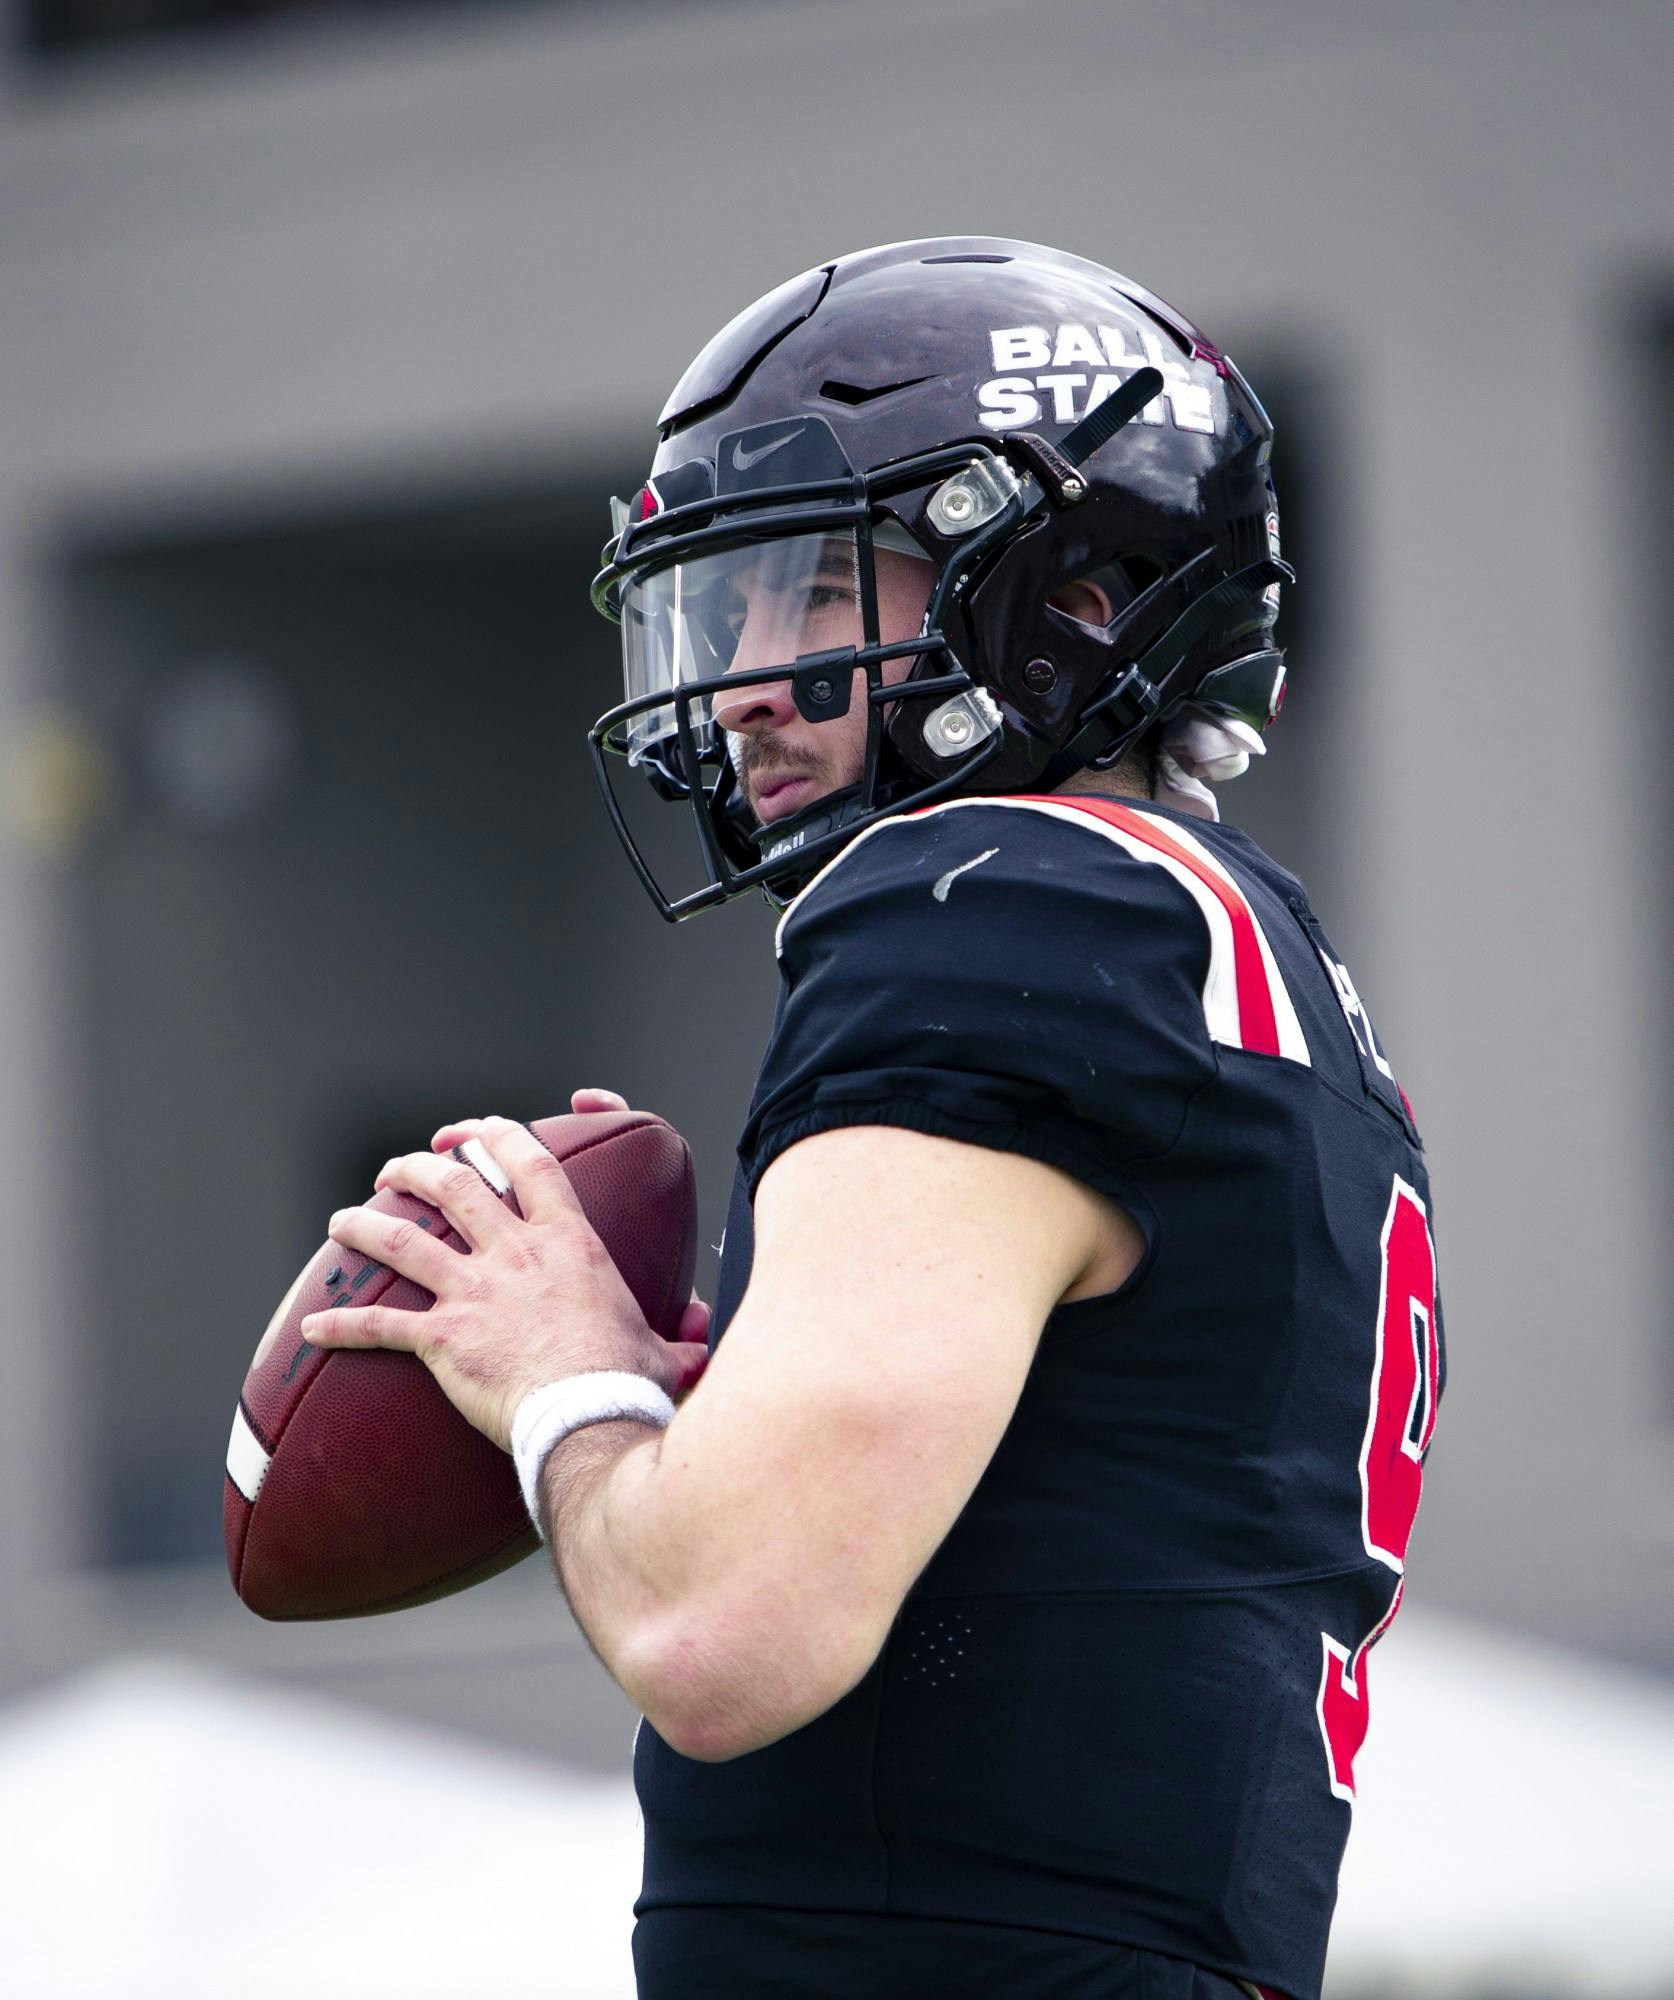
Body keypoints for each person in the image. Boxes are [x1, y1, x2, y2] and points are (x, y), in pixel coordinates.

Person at [300, 238, 1444, 2000]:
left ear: (1065, 590)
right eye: (720, 608)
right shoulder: (1231, 952)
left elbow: (720, 1630)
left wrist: (564, 1387)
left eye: (807, 595)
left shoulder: (990, 904)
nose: (744, 682)